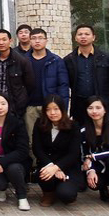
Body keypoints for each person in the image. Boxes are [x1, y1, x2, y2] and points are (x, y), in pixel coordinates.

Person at [26, 28, 70, 156]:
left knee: (53, 138)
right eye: (34, 38)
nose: (37, 41)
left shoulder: (56, 60)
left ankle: (54, 165)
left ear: (46, 40)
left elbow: (63, 86)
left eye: (40, 38)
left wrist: (62, 108)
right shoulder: (23, 60)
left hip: (51, 107)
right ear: (30, 41)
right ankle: (35, 166)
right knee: (31, 140)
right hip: (30, 107)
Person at [32, 95, 81, 207]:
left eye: (56, 109)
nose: (52, 113)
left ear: (62, 109)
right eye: (48, 109)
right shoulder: (39, 124)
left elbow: (73, 153)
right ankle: (48, 193)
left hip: (67, 167)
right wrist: (51, 166)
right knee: (44, 174)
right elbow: (37, 148)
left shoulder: (73, 126)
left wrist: (57, 167)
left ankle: (63, 190)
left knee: (67, 195)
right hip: (47, 164)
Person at [0, 92, 31, 211]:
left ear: (9, 105)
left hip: (15, 162)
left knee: (13, 168)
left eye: (3, 103)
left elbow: (23, 150)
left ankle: (22, 196)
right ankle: (2, 189)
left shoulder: (17, 123)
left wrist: (3, 162)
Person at [64, 24, 109, 125]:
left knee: (103, 132)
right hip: (79, 106)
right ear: (75, 38)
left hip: (101, 104)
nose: (83, 36)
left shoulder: (106, 58)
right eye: (80, 34)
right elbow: (69, 82)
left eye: (87, 34)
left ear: (93, 37)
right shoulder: (68, 60)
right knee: (80, 132)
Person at [0, 29, 32, 119]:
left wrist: (22, 101)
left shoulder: (21, 60)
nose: (1, 43)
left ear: (10, 41)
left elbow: (30, 84)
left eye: (4, 39)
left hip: (15, 106)